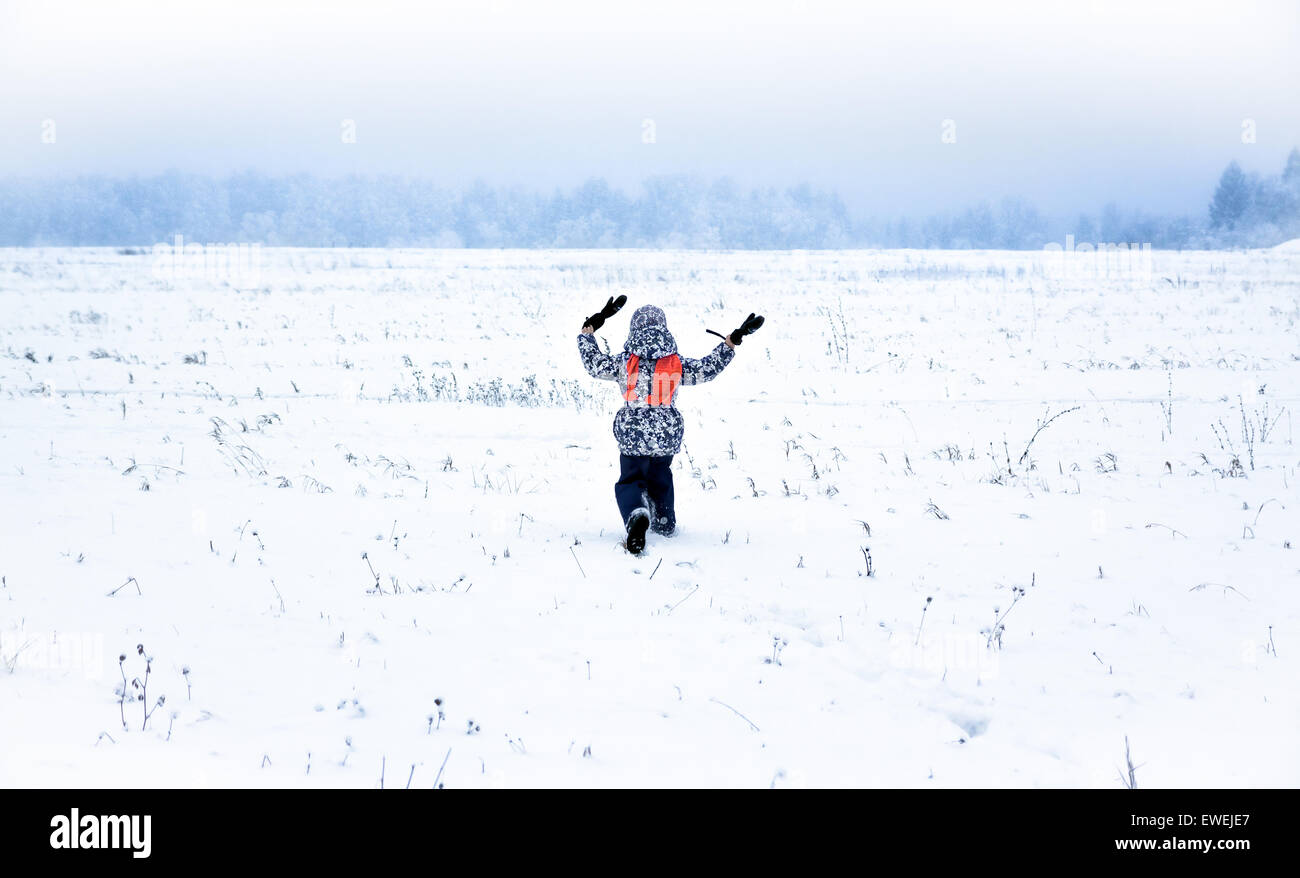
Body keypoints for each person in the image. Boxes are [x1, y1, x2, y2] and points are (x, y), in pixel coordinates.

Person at [577, 299, 764, 553]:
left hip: (633, 432)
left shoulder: (624, 362)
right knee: (660, 477)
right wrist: (730, 343)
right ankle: (664, 522)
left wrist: (588, 333)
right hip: (665, 433)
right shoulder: (675, 362)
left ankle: (636, 513)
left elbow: (595, 364)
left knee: (631, 479)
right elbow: (706, 369)